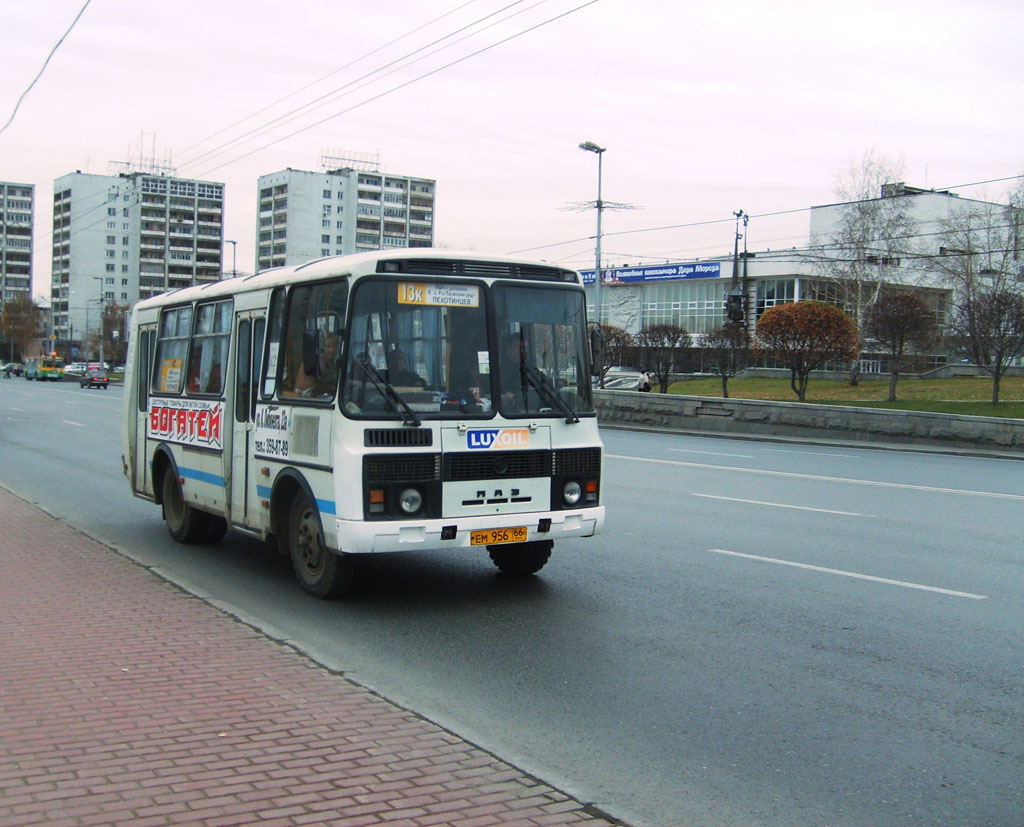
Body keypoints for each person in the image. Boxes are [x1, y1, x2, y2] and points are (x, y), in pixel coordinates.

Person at [499, 332, 528, 410]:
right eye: (518, 347)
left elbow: (540, 380)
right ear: (508, 345)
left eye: (524, 348)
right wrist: (506, 392)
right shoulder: (498, 365)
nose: (522, 351)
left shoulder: (527, 366)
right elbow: (493, 385)